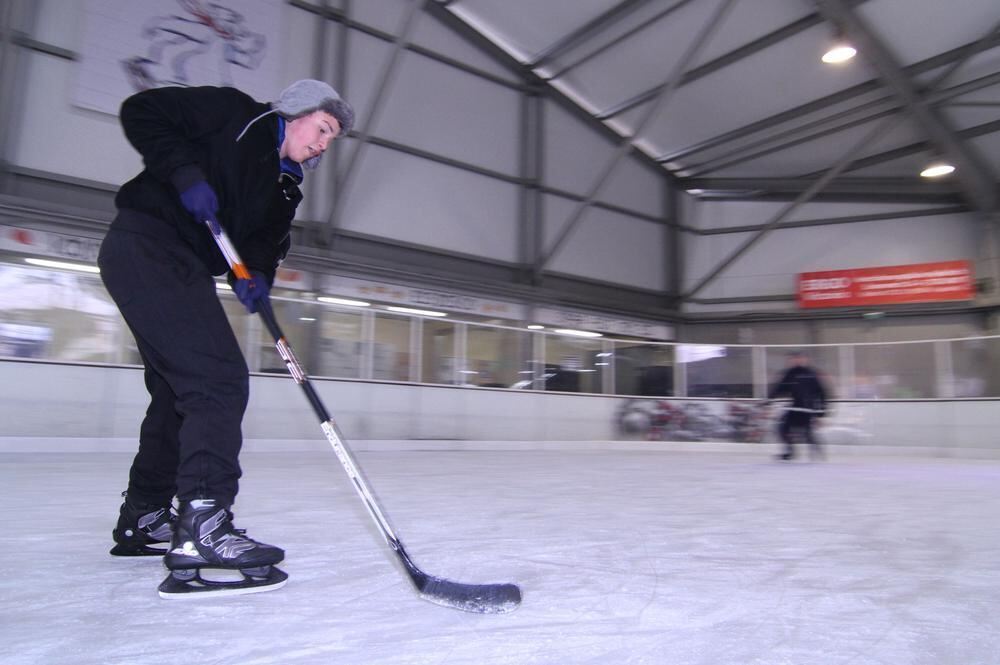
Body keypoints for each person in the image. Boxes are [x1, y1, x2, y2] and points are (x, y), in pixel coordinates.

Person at [97, 79, 354, 597]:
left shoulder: (286, 184)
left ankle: (145, 516)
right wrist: (184, 171)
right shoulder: (235, 113)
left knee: (178, 392)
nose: (324, 143)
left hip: (182, 265)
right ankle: (203, 528)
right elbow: (142, 110)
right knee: (218, 380)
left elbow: (261, 245)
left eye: (332, 139)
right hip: (147, 243)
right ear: (298, 111)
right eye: (323, 129)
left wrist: (255, 278)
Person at [766, 351, 828, 461]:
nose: (797, 361)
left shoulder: (811, 374)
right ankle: (790, 451)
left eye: (800, 358)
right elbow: (779, 389)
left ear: (805, 360)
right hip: (794, 408)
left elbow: (821, 393)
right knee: (782, 429)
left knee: (807, 433)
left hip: (807, 409)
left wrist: (821, 413)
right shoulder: (789, 374)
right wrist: (769, 400)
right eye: (794, 359)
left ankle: (817, 452)